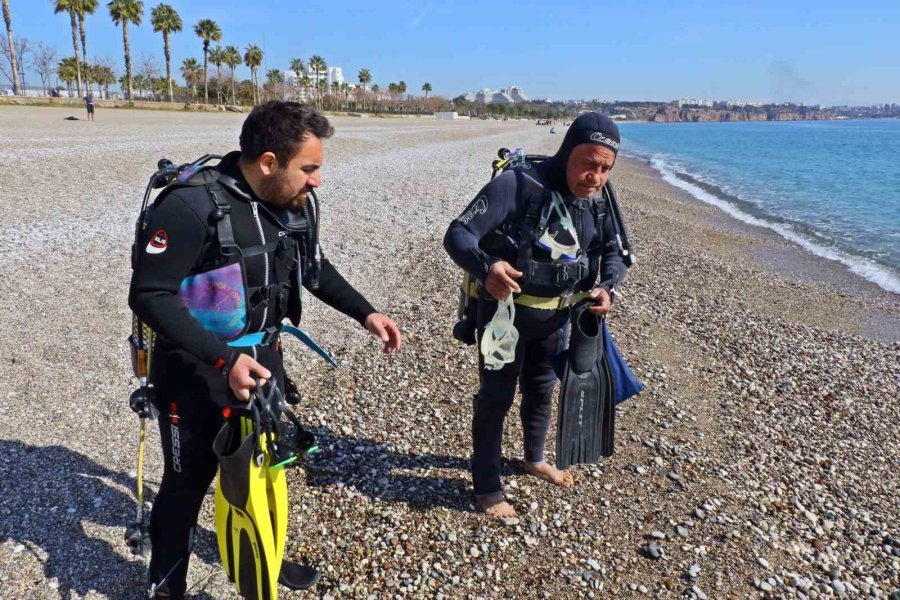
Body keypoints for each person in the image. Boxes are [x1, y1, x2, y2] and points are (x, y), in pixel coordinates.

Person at [129, 101, 401, 599]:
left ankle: (262, 558)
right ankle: (167, 586)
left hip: (262, 361)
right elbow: (148, 295)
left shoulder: (290, 205)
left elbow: (314, 269)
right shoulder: (189, 207)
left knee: (262, 467)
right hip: (194, 370)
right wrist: (223, 359)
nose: (317, 181)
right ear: (270, 161)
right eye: (310, 168)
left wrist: (366, 312)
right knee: (186, 483)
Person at [443, 112, 627, 523]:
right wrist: (486, 267)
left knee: (542, 390)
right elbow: (457, 234)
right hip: (503, 317)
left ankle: (534, 459)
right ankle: (487, 487)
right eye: (587, 162)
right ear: (566, 152)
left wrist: (607, 288)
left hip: (557, 320)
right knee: (495, 399)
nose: (594, 176)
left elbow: (616, 252)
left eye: (605, 168)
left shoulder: (599, 199)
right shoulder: (517, 185)